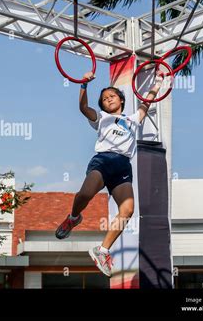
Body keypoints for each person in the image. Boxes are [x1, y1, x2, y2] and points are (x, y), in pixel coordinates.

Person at [55, 70, 166, 277]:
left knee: (128, 210)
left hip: (123, 166)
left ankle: (103, 250)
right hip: (103, 160)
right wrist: (84, 84)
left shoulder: (133, 119)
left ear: (121, 100)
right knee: (85, 195)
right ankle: (73, 217)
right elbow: (83, 107)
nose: (108, 100)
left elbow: (147, 102)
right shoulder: (102, 118)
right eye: (104, 99)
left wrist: (159, 81)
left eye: (111, 96)